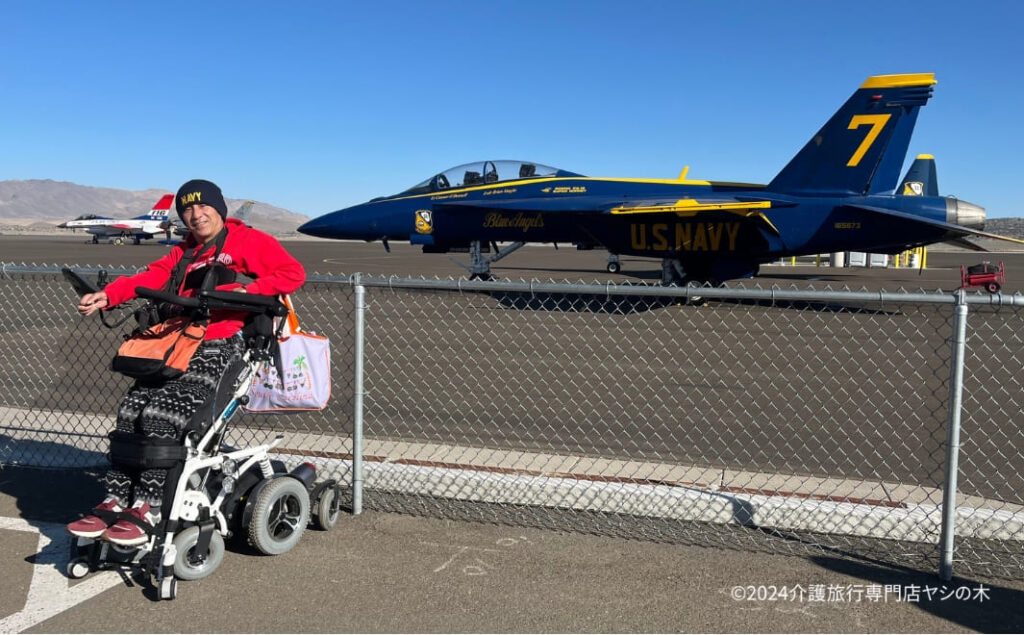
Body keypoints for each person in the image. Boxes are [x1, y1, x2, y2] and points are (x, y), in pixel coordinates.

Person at [67, 179, 306, 546]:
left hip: (220, 344)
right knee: (131, 414)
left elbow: (292, 274)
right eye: (188, 210)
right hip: (178, 342)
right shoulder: (185, 252)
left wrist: (245, 291)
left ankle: (150, 506)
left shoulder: (248, 242)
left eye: (203, 206)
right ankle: (115, 500)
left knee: (162, 416)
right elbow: (149, 277)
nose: (196, 215)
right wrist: (108, 296)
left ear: (219, 209)